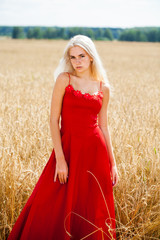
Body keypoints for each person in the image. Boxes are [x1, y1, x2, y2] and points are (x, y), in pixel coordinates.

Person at [8, 35, 119, 240]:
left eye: (81, 56)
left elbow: (104, 126)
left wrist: (113, 163)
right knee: (49, 201)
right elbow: (53, 120)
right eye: (73, 57)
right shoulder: (64, 80)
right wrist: (60, 159)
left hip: (96, 153)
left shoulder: (103, 88)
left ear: (91, 57)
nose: (77, 61)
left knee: (90, 206)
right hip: (67, 149)